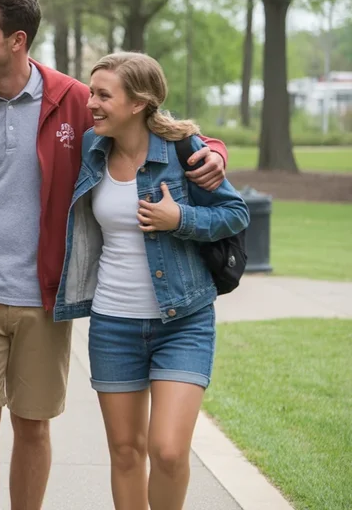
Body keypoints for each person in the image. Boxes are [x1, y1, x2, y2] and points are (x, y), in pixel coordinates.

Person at [0, 0, 230, 510]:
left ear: (17, 40)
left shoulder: (73, 100)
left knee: (32, 425)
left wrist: (214, 150)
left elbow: (148, 126)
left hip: (45, 296)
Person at [56, 52, 249, 510]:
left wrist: (179, 218)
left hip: (183, 320)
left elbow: (235, 213)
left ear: (139, 102)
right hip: (113, 324)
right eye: (91, 92)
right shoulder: (92, 147)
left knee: (168, 451)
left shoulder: (183, 150)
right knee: (126, 453)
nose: (91, 103)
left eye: (104, 95)